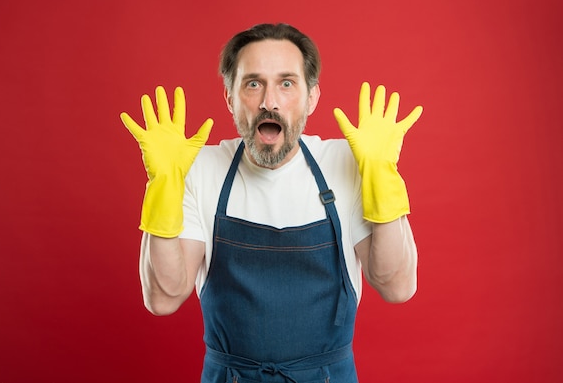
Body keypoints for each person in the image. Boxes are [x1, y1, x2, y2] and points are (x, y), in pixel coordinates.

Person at [120, 23, 423, 383]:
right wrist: (162, 186)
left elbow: (397, 286)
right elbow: (163, 298)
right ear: (230, 97)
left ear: (311, 97)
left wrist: (383, 176)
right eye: (252, 83)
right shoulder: (198, 170)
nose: (269, 101)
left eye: (286, 83)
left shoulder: (349, 165)